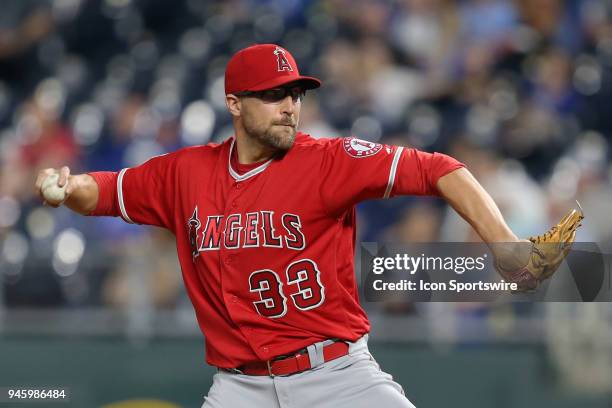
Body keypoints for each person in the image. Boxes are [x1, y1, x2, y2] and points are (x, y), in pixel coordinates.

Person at [34, 44, 577, 408]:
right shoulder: (185, 173)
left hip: (337, 378)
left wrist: (504, 245)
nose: (289, 106)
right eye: (272, 95)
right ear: (234, 104)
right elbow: (105, 190)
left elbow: (440, 169)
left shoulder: (327, 161)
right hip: (239, 386)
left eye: (294, 93)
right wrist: (69, 186)